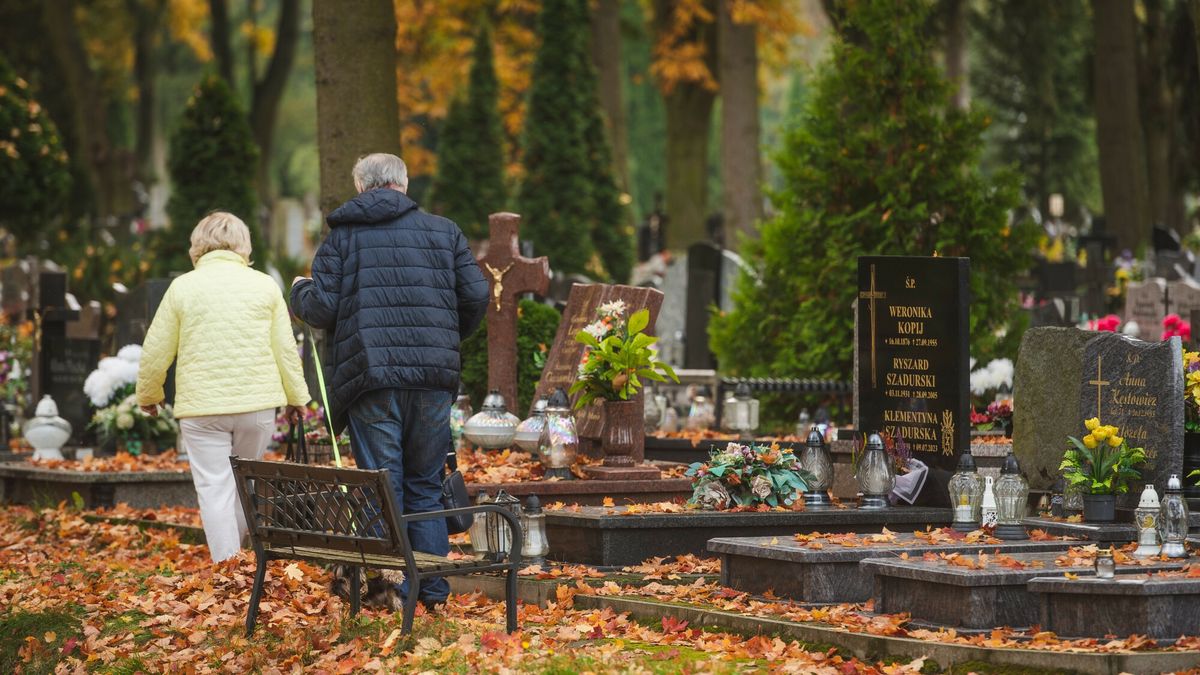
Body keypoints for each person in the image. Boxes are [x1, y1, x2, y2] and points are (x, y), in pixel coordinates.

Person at [290, 153, 488, 608]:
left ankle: (388, 590)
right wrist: (447, 334)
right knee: (423, 482)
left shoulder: (342, 237)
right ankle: (432, 591)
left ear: (362, 187)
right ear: (403, 184)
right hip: (433, 377)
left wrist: (300, 290)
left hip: (371, 377)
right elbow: (476, 294)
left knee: (384, 483)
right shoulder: (445, 231)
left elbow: (321, 309)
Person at [137, 212, 310, 563]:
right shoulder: (264, 285)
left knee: (214, 488)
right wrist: (297, 399)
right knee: (245, 486)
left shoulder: (183, 287)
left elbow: (156, 348)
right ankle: (239, 564)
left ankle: (229, 568)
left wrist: (149, 395)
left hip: (201, 410)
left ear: (197, 245)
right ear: (244, 244)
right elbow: (285, 349)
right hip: (256, 406)